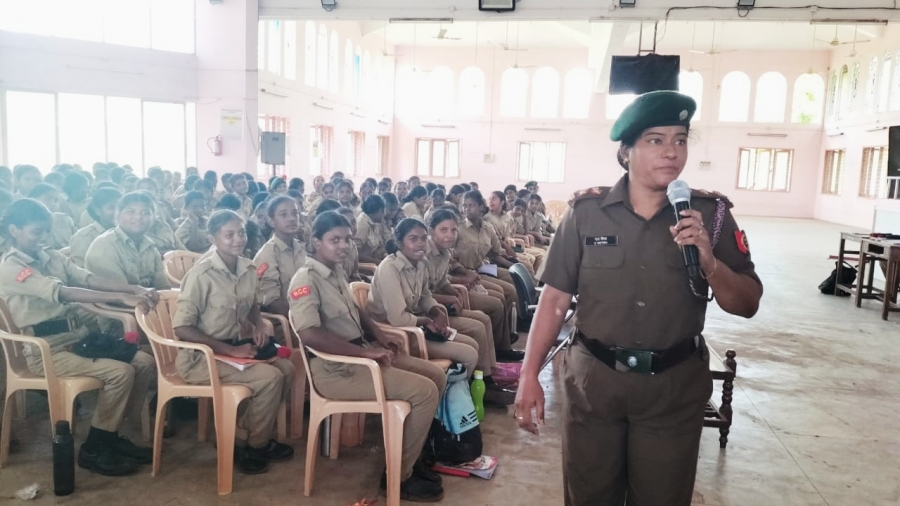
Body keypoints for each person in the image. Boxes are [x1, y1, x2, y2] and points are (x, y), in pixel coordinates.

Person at [514, 91, 764, 506]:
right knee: (589, 496)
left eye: (680, 140)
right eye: (655, 140)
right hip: (594, 386)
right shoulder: (586, 213)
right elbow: (556, 298)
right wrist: (528, 375)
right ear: (625, 151)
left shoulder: (710, 215)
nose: (671, 152)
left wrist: (710, 263)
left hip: (672, 389)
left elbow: (748, 302)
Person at [288, 211, 445, 502]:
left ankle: (415, 453)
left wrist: (377, 334)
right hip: (335, 370)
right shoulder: (306, 279)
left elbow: (355, 309)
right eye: (334, 240)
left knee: (436, 375)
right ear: (315, 242)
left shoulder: (334, 271)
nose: (343, 246)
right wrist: (365, 352)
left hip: (359, 356)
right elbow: (309, 334)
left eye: (347, 239)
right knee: (423, 392)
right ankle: (399, 477)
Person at [0, 198, 157, 476]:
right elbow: (64, 291)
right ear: (14, 230)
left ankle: (111, 432)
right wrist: (118, 296)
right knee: (120, 373)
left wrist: (132, 289)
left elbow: (86, 279)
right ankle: (93, 449)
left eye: (46, 231)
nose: (43, 238)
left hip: (77, 339)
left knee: (143, 361)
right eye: (36, 232)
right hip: (45, 351)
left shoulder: (52, 256)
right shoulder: (11, 267)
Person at [173, 210, 295, 474]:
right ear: (212, 238)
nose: (238, 239)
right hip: (201, 357)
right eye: (229, 234)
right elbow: (182, 327)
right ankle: (252, 444)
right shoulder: (201, 274)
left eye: (241, 232)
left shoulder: (247, 267)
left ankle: (244, 433)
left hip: (234, 349)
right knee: (269, 378)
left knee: (287, 369)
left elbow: (251, 304)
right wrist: (230, 349)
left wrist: (260, 323)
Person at [368, 218, 480, 377]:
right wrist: (427, 321)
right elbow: (397, 319)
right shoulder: (389, 268)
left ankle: (464, 390)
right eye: (413, 239)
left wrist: (436, 312)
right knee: (469, 355)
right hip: (396, 335)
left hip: (415, 327)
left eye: (423, 238)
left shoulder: (420, 264)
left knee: (472, 344)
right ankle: (454, 396)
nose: (420, 244)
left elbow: (425, 296)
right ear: (400, 243)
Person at [426, 209, 515, 403]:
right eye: (443, 230)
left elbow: (441, 282)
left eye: (453, 230)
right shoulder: (424, 254)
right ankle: (482, 382)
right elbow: (423, 294)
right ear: (431, 231)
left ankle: (488, 377)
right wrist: (449, 299)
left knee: (482, 320)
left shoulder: (444, 252)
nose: (449, 235)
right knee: (476, 327)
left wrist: (453, 292)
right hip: (430, 315)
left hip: (438, 306)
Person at [453, 190, 524, 362]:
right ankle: (502, 346)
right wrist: (464, 273)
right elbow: (449, 258)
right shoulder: (458, 228)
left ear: (480, 207)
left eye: (471, 205)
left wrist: (513, 265)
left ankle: (502, 336)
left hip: (479, 270)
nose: (467, 209)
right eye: (464, 205)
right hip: (460, 273)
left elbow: (494, 253)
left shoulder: (487, 228)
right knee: (498, 298)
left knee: (509, 291)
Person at [84, 191, 171, 290]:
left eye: (145, 213)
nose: (138, 217)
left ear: (153, 218)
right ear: (118, 215)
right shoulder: (104, 246)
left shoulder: (149, 246)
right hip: (115, 303)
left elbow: (163, 286)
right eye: (131, 211)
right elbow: (120, 293)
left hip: (147, 300)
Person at [253, 196, 306, 317]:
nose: (292, 219)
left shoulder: (300, 247)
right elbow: (272, 302)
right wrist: (305, 317)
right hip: (285, 320)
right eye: (283, 215)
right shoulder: (267, 255)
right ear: (271, 221)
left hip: (308, 309)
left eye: (295, 213)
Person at [70, 188, 121, 267]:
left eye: (120, 208)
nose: (118, 212)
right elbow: (80, 271)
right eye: (111, 207)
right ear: (97, 211)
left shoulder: (127, 232)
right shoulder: (83, 236)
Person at [27, 183, 77, 250]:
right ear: (33, 199)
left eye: (56, 200)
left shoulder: (66, 220)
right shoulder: (27, 223)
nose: (53, 203)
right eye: (48, 199)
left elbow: (75, 244)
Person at [354, 194, 392, 265]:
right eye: (384, 211)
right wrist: (378, 263)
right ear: (380, 210)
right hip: (366, 267)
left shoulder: (374, 221)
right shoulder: (362, 224)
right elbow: (356, 254)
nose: (385, 214)